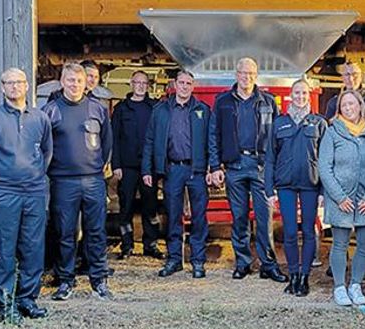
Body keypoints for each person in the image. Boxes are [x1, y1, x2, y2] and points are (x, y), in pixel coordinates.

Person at [0, 67, 53, 322]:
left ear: (27, 86)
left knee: (33, 247)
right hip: (3, 192)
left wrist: (34, 175)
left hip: (34, 191)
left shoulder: (40, 118)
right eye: (9, 83)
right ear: (2, 87)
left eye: (19, 82)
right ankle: (5, 302)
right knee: (3, 248)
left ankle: (27, 299)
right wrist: (1, 176)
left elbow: (47, 153)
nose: (15, 87)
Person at [208, 57, 286, 282]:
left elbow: (277, 137)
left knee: (265, 219)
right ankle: (242, 263)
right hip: (235, 166)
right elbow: (214, 135)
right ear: (236, 74)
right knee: (239, 218)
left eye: (251, 74)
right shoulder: (222, 101)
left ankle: (268, 265)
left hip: (261, 167)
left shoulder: (268, 102)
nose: (247, 77)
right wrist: (215, 166)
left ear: (256, 75)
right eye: (243, 73)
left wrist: (276, 168)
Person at [41, 62, 114, 301]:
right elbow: (43, 145)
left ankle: (99, 280)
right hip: (63, 182)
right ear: (62, 82)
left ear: (86, 83)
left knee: (96, 231)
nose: (74, 85)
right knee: (65, 232)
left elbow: (107, 142)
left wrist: (97, 168)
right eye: (70, 80)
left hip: (93, 180)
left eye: (79, 81)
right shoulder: (50, 110)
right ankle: (65, 281)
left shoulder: (98, 109)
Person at [142, 70, 212, 278]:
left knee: (199, 217)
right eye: (181, 83)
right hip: (172, 169)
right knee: (173, 216)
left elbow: (212, 141)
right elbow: (149, 141)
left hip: (196, 170)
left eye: (188, 83)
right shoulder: (161, 110)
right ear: (174, 84)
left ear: (193, 86)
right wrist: (147, 169)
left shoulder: (202, 110)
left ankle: (198, 261)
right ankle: (174, 259)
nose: (184, 86)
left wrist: (213, 167)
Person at [265, 78, 328, 296]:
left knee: (309, 231)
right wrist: (269, 189)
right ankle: (293, 276)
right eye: (297, 93)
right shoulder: (279, 123)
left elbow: (325, 160)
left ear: (309, 95)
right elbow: (270, 158)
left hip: (311, 184)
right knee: (290, 232)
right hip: (285, 186)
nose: (300, 97)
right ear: (291, 95)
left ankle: (304, 277)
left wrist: (323, 191)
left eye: (304, 93)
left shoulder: (319, 123)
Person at [319, 90, 365, 307]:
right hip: (341, 199)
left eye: (351, 104)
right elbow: (324, 168)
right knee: (340, 243)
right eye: (344, 105)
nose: (348, 108)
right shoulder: (332, 132)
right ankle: (339, 287)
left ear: (360, 106)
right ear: (339, 109)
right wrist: (339, 197)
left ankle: (355, 284)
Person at [111, 70, 164, 260]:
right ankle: (127, 246)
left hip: (149, 167)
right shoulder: (121, 109)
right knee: (126, 208)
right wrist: (115, 164)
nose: (140, 86)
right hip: (127, 167)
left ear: (148, 86)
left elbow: (160, 137)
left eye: (144, 83)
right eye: (137, 82)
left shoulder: (155, 108)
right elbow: (114, 139)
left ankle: (151, 244)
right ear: (131, 84)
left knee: (150, 207)